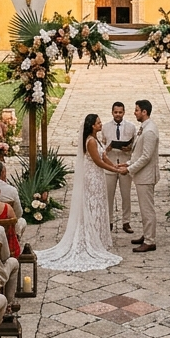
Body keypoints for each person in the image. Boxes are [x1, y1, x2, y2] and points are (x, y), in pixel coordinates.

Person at [38, 114, 128, 271]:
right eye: (98, 122)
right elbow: (97, 161)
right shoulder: (91, 141)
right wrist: (115, 170)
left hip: (98, 177)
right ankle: (89, 239)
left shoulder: (97, 138)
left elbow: (104, 156)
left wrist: (116, 166)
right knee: (92, 205)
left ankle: (99, 238)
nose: (101, 124)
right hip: (92, 177)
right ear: (92, 125)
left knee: (100, 205)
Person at [126, 100, 160, 253]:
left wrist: (129, 169)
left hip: (146, 176)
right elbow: (137, 152)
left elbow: (146, 156)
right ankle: (147, 234)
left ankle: (150, 241)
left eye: (137, 110)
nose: (135, 112)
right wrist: (127, 164)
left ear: (144, 112)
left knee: (147, 209)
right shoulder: (144, 128)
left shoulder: (150, 131)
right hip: (141, 175)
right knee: (143, 208)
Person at [101, 101, 136, 235]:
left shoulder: (131, 127)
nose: (118, 114)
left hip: (124, 163)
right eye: (115, 112)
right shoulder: (105, 127)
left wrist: (129, 148)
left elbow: (136, 146)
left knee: (126, 195)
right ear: (112, 112)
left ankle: (126, 222)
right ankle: (108, 221)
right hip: (109, 164)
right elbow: (100, 145)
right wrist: (107, 148)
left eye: (120, 112)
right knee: (108, 195)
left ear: (124, 112)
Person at [0, 161, 26, 236]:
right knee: (22, 221)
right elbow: (19, 213)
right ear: (3, 173)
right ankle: (16, 239)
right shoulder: (12, 190)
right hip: (7, 226)